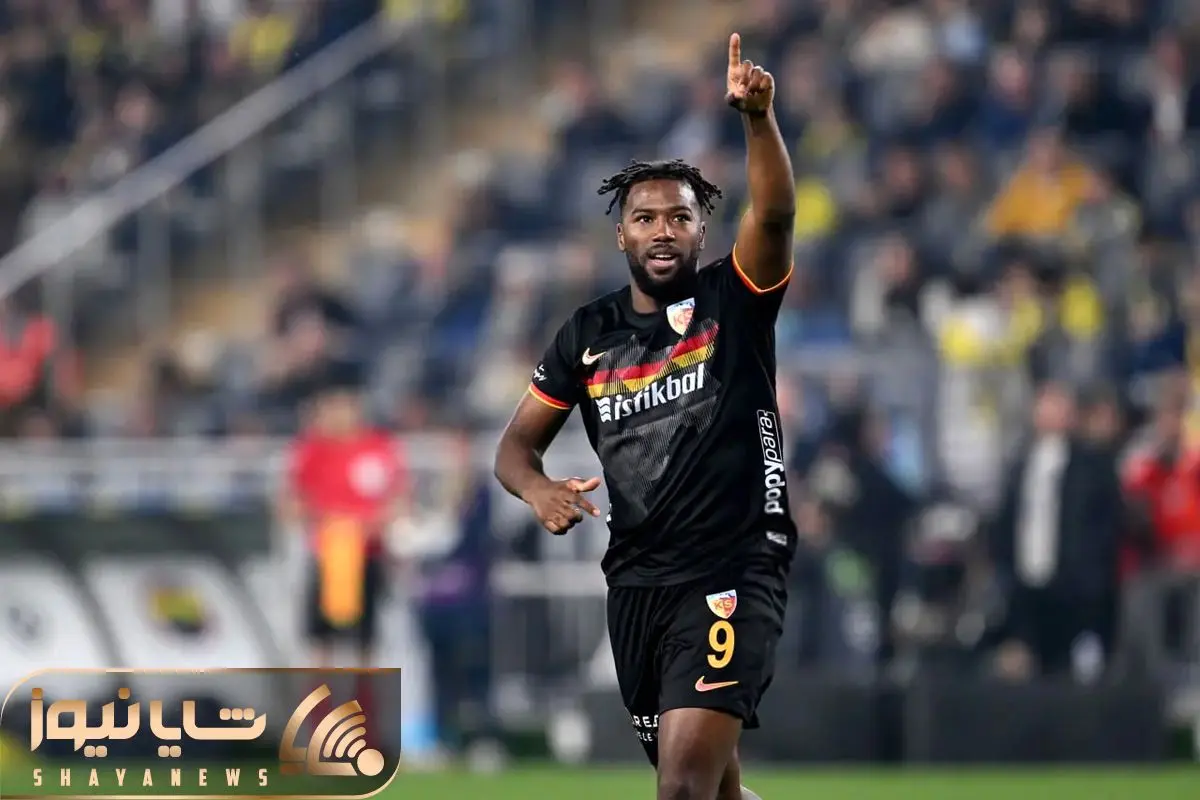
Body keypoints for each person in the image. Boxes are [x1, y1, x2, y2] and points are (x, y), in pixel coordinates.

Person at [494, 34, 795, 800]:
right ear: (621, 233)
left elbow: (776, 214)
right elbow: (515, 449)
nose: (663, 229)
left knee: (682, 789)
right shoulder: (586, 335)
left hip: (732, 567)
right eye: (645, 217)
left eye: (679, 217)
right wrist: (538, 490)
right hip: (636, 585)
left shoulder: (734, 299)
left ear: (701, 230)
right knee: (715, 792)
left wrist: (758, 120)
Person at [279, 362, 409, 668]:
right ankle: (322, 698)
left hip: (368, 555)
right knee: (321, 642)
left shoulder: (378, 447)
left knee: (366, 641)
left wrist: (369, 525)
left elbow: (398, 499)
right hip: (327, 555)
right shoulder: (312, 449)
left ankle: (364, 697)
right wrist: (326, 521)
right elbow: (290, 502)